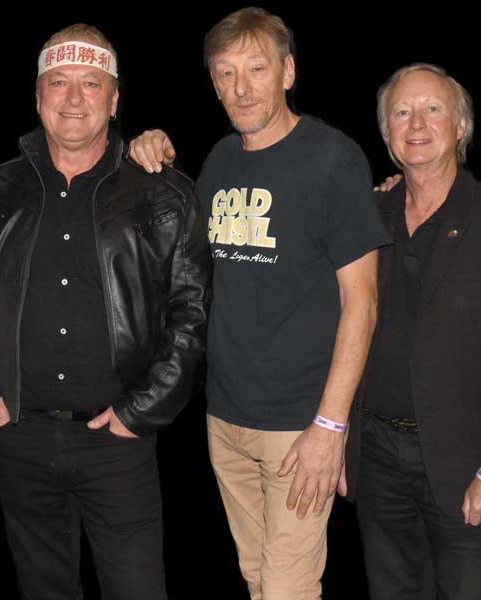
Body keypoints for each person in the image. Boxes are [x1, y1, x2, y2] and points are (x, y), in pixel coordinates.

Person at [131, 8, 386, 598]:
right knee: (258, 580)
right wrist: (150, 147)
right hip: (225, 418)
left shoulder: (333, 157)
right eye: (226, 73)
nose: (241, 87)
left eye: (256, 68)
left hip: (299, 424)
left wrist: (330, 426)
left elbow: (363, 302)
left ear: (287, 72)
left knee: (288, 588)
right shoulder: (219, 161)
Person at [0, 24, 210, 599]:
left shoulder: (164, 193)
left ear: (114, 100)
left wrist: (141, 411)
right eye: (59, 82)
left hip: (118, 440)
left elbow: (190, 315)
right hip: (18, 435)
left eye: (91, 83)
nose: (74, 98)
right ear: (37, 97)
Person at [341, 63, 481, 599]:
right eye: (401, 112)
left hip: (467, 463)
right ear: (386, 133)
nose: (416, 124)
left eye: (432, 109)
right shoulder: (369, 212)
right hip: (377, 456)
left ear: (461, 126)